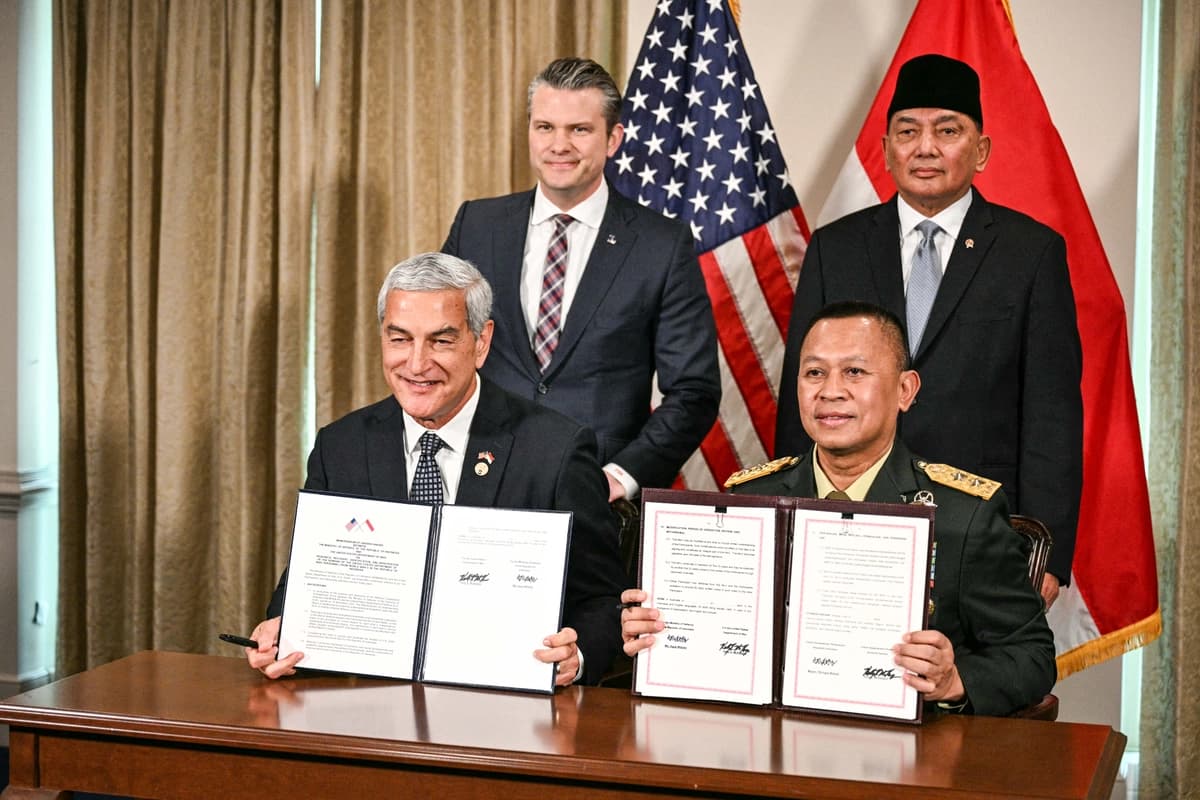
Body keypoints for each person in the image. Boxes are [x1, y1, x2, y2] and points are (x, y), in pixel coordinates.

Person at [623, 302, 1056, 716]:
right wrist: (658, 630)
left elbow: (1031, 656)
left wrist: (954, 680)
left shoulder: (964, 515)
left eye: (854, 372)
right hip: (758, 745)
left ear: (905, 390)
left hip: (905, 760)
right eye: (814, 373)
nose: (831, 391)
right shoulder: (748, 501)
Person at [774, 54, 1082, 609]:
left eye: (948, 131)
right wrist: (788, 514)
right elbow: (803, 388)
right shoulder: (836, 246)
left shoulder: (1030, 252)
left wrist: (1047, 555)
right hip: (850, 518)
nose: (925, 148)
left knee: (964, 686)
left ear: (981, 150)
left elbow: (1052, 414)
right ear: (887, 148)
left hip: (984, 530)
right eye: (908, 131)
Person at [245, 252, 627, 686]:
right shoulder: (341, 446)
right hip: (365, 707)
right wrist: (280, 629)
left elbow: (603, 601)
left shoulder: (555, 450)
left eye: (441, 341)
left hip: (505, 712)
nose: (416, 363)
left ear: (481, 342)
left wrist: (578, 654)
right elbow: (305, 583)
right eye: (400, 339)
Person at [442, 57, 720, 502]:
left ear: (613, 139)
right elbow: (439, 345)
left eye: (579, 130)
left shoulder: (661, 246)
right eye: (545, 127)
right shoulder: (477, 225)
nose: (559, 145)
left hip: (595, 497)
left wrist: (622, 476)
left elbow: (694, 391)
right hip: (479, 481)